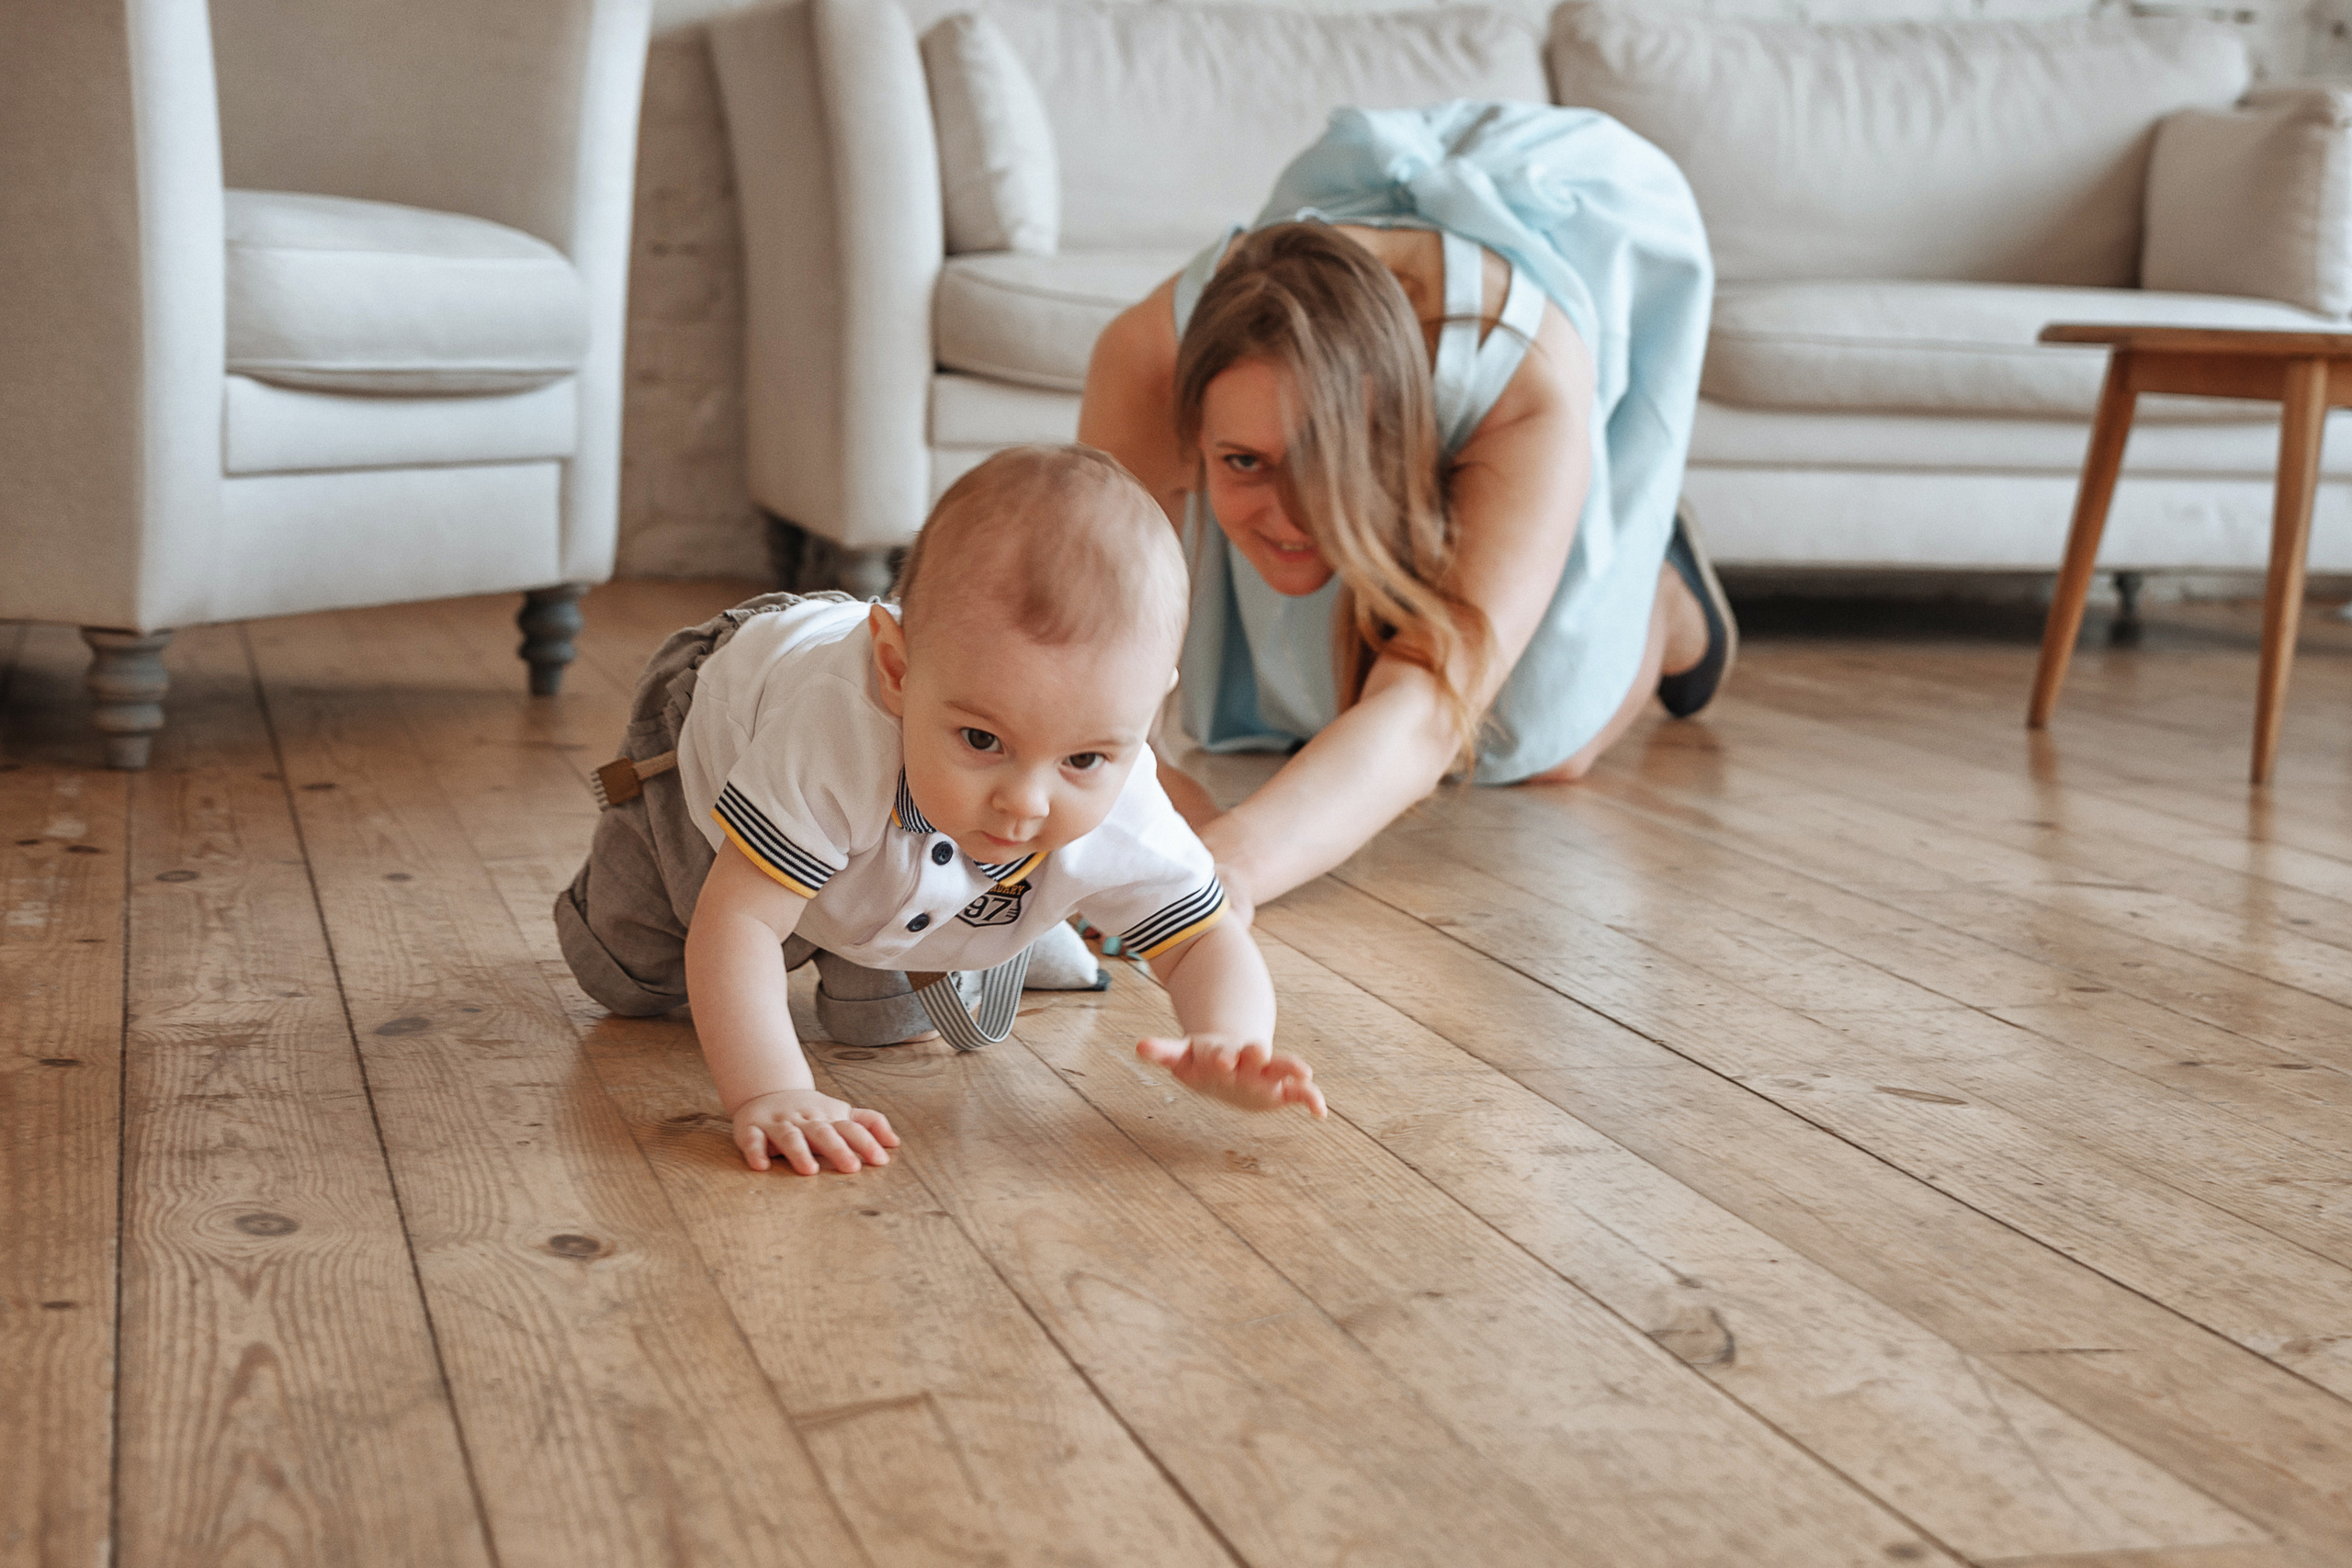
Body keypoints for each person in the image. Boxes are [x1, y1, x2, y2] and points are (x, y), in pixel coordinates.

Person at [554, 445, 1328, 1177]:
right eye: (983, 738)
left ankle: (991, 923)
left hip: (891, 842)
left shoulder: (1122, 793)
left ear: (1149, 713)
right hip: (720, 732)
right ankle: (922, 908)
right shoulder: (830, 732)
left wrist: (1231, 1039)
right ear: (895, 670)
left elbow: (1203, 940)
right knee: (637, 973)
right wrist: (771, 1089)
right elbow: (741, 923)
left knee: (881, 1026)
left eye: (1084, 759)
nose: (1026, 802)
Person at [1079, 101, 1733, 920]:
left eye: (1327, 465)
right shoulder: (1145, 357)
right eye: (1244, 461)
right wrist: (1190, 830)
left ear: (1397, 437)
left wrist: (1234, 869)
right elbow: (1094, 662)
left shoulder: (1522, 374)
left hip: (1568, 257)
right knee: (1306, 718)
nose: (1289, 518)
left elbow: (1420, 707)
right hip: (1361, 294)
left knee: (1532, 740)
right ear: (1194, 427)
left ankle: (1659, 593)